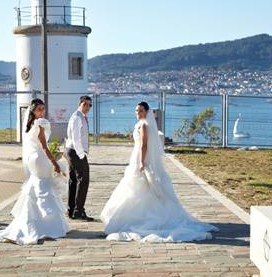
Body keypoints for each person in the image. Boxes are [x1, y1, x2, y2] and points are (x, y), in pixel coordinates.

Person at [100, 101, 218, 242]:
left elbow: (144, 145)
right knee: (138, 189)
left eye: (141, 111)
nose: (138, 113)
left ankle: (141, 218)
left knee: (138, 190)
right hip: (138, 157)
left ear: (147, 112)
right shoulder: (143, 124)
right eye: (137, 110)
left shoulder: (144, 125)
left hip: (141, 159)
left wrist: (142, 163)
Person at [0, 98, 70, 244]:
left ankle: (32, 221)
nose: (42, 111)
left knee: (36, 186)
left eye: (43, 108)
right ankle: (48, 226)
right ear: (32, 110)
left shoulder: (29, 124)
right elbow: (44, 147)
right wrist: (55, 163)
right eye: (39, 109)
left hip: (33, 159)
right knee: (44, 186)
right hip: (40, 158)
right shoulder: (40, 123)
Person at [64, 95, 94, 221]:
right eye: (85, 104)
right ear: (80, 104)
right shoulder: (77, 117)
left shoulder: (80, 116)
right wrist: (82, 155)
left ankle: (71, 210)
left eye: (89, 105)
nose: (87, 107)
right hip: (76, 152)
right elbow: (76, 138)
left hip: (72, 151)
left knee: (74, 181)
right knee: (84, 180)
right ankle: (78, 211)